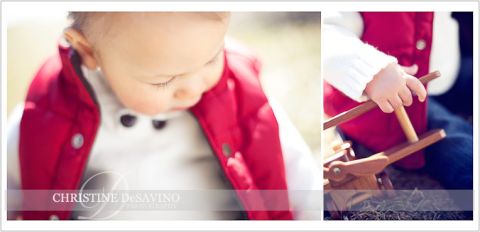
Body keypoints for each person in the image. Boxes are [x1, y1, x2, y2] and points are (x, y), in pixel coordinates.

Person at [7, 12, 322, 220]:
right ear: (88, 52)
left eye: (212, 58)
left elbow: (300, 183)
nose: (193, 89)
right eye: (163, 81)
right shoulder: (48, 116)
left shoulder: (242, 99)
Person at [323, 12, 473, 190]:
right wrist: (373, 71)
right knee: (451, 138)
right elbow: (327, 32)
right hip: (385, 98)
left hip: (446, 72)